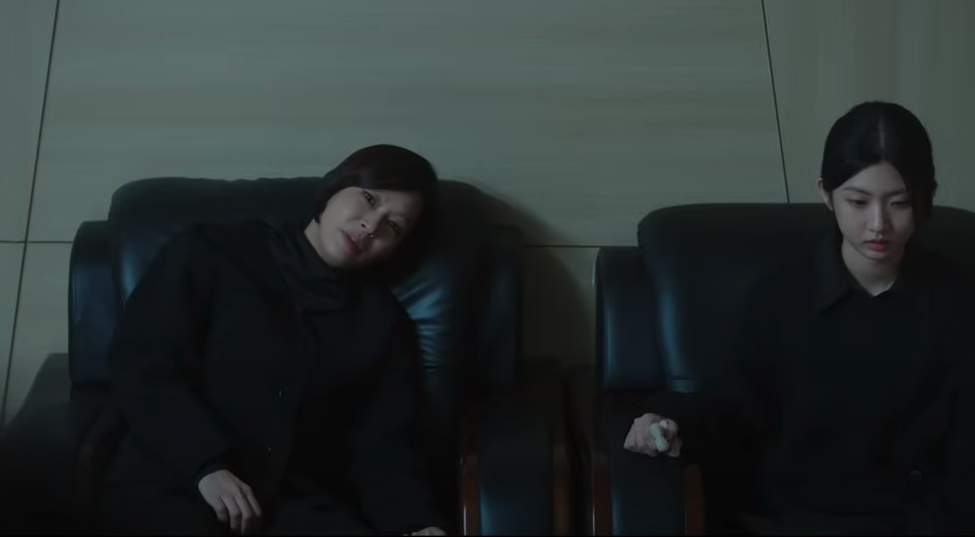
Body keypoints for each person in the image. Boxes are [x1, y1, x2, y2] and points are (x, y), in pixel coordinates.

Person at [624, 101, 975, 535]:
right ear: (826, 193)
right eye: (858, 201)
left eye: (899, 203)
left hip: (916, 522)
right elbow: (729, 408)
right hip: (791, 520)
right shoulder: (780, 297)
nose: (878, 224)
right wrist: (664, 420)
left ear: (926, 197)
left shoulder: (960, 302)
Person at [99, 145, 448, 536]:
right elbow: (143, 366)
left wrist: (416, 524)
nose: (371, 226)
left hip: (290, 501)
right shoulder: (211, 252)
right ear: (336, 187)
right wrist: (206, 466)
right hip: (175, 477)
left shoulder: (383, 324)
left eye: (393, 226)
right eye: (369, 199)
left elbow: (383, 445)